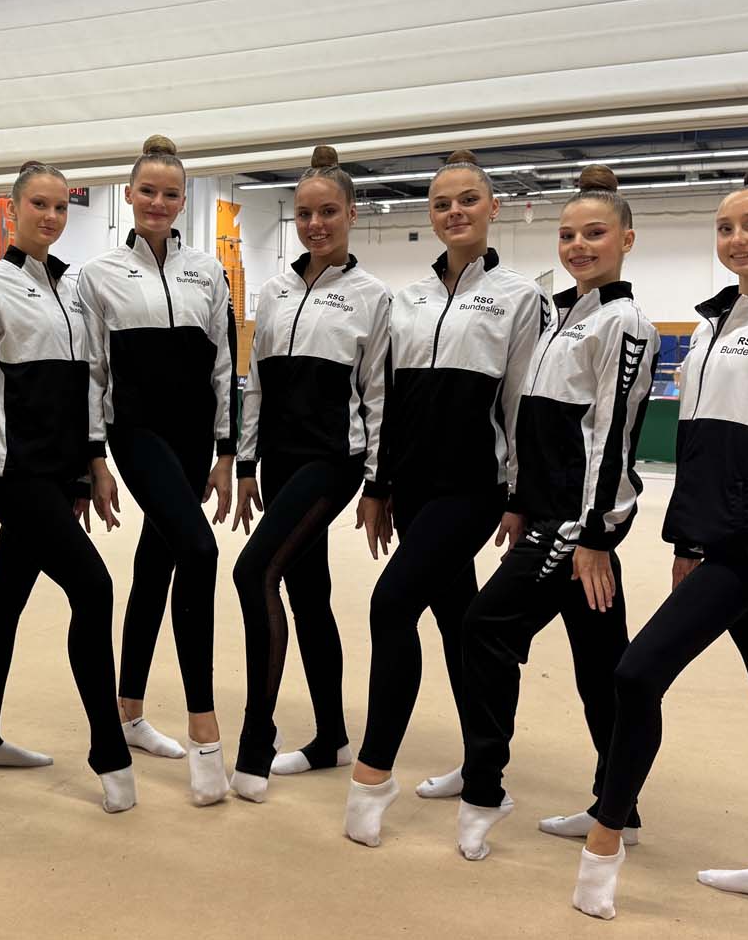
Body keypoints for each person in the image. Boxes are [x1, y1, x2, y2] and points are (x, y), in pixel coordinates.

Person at [573, 164, 748, 919]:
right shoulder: (707, 327)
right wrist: (684, 540)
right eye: (725, 227)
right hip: (712, 542)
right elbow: (696, 449)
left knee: (635, 673)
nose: (737, 238)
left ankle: (604, 844)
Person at [453, 165, 657, 861]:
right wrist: (519, 501)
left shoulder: (624, 322)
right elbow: (534, 427)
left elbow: (612, 438)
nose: (579, 245)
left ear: (626, 238)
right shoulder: (560, 313)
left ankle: (484, 787)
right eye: (568, 235)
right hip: (546, 513)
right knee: (604, 669)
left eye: (594, 233)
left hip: (576, 524)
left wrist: (595, 534)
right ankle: (617, 805)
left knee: (483, 630)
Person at [345, 149, 546, 846]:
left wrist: (520, 495)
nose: (453, 212)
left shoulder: (522, 298)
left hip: (474, 489)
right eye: (440, 204)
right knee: (461, 625)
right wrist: (379, 485)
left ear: (492, 207)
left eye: (466, 200)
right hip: (413, 489)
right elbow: (386, 401)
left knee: (390, 604)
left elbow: (522, 404)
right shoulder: (409, 299)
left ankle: (374, 772)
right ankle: (481, 764)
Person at [0, 161, 137, 812]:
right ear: (13, 209)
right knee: (95, 586)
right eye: (39, 205)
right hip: (11, 472)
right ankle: (108, 749)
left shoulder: (74, 288)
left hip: (59, 472)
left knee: (6, 599)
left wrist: (90, 466)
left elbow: (86, 384)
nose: (51, 217)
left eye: (60, 207)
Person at [227, 145, 391, 804]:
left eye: (329, 212)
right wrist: (246, 462)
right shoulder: (272, 290)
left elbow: (377, 394)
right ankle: (330, 738)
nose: (316, 224)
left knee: (252, 571)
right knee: (307, 594)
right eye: (305, 214)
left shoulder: (372, 297)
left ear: (352, 214)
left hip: (334, 461)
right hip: (281, 459)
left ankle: (255, 739)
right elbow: (257, 386)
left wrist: (378, 484)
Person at [78, 134, 236, 805]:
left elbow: (226, 365)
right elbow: (92, 370)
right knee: (198, 549)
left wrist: (227, 449)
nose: (159, 203)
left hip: (195, 433)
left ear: (183, 200)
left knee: (159, 561)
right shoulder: (99, 274)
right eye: (148, 191)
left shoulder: (208, 270)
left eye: (171, 194)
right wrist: (93, 453)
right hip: (135, 430)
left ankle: (128, 710)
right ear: (129, 195)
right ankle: (204, 729)